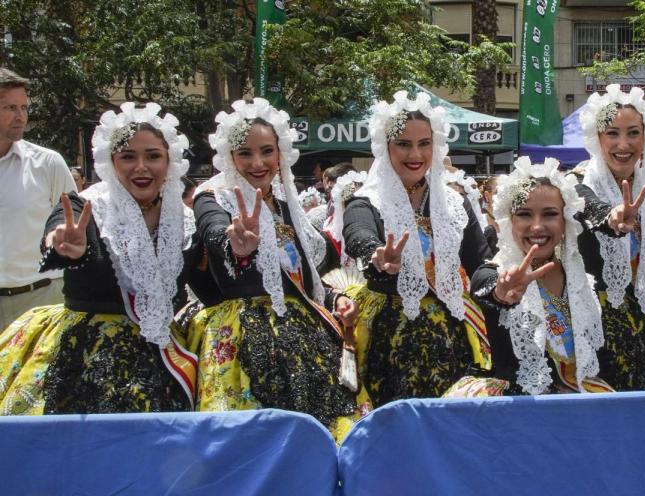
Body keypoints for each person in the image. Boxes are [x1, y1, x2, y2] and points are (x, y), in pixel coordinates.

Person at [0, 102, 198, 415]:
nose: (141, 167)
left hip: (163, 355)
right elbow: (62, 229)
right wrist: (64, 244)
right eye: (128, 157)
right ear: (111, 161)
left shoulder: (185, 218)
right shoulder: (88, 206)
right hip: (85, 356)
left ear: (170, 160)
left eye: (153, 156)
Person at [187, 98, 360, 438]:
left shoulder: (286, 207)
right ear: (229, 157)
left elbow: (302, 281)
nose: (257, 162)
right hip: (244, 340)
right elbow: (213, 229)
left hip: (304, 338)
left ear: (281, 153)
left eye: (267, 151)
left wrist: (334, 299)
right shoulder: (213, 198)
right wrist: (234, 243)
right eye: (245, 153)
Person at [342, 91, 491, 405]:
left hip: (452, 331)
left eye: (424, 143)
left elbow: (480, 263)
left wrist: (499, 281)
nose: (415, 154)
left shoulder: (453, 203)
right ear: (385, 148)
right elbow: (358, 233)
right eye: (404, 144)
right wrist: (376, 255)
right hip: (389, 333)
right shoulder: (367, 200)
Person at [446, 157, 610, 396]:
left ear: (565, 221)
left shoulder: (580, 278)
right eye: (524, 214)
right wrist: (502, 293)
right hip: (519, 412)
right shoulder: (496, 272)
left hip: (580, 404)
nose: (536, 226)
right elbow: (485, 286)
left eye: (550, 214)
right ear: (509, 221)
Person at [576, 84, 645, 390]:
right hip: (590, 327)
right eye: (612, 133)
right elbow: (589, 206)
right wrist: (611, 217)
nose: (623, 144)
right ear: (596, 139)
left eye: (633, 133)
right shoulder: (573, 186)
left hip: (641, 322)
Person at [0, 68, 76, 330]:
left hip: (40, 301)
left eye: (24, 107)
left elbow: (75, 222)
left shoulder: (47, 164)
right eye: (10, 108)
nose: (20, 117)